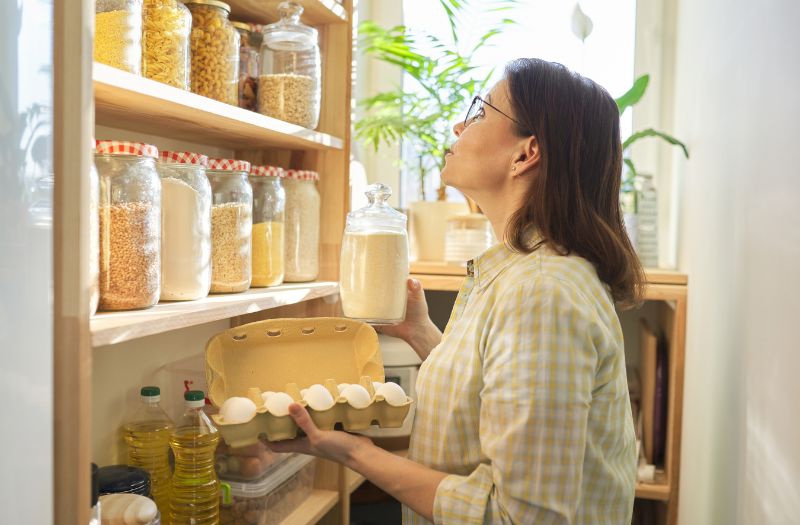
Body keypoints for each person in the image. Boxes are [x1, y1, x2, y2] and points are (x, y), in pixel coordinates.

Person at [269, 58, 643, 524]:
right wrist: (422, 333)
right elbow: (497, 395)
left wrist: (354, 454)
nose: (459, 124)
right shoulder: (516, 271)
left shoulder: (543, 294)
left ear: (526, 154)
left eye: (481, 112)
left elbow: (520, 518)